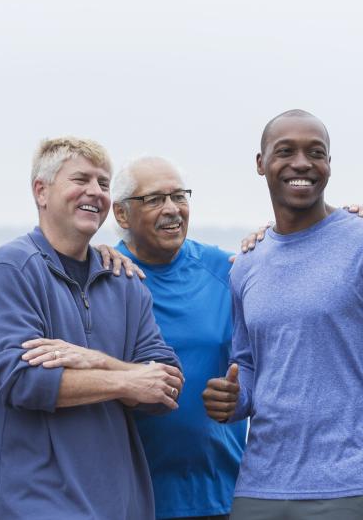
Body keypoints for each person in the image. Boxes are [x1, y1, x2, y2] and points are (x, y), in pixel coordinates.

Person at [203, 110, 363, 520]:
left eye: (316, 152)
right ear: (260, 164)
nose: (302, 163)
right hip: (259, 488)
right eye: (285, 151)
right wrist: (235, 398)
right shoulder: (246, 264)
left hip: (353, 486)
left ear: (329, 165)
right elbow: (250, 365)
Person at [0, 136, 183, 519]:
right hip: (38, 505)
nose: (95, 192)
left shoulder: (126, 281)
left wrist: (97, 362)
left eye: (103, 183)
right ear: (41, 191)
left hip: (124, 506)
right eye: (80, 179)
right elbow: (21, 379)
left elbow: (164, 387)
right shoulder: (9, 271)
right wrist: (127, 380)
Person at [112, 156, 247, 520]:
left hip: (221, 494)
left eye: (179, 196)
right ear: (122, 215)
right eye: (155, 199)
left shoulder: (227, 269)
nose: (172, 210)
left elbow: (269, 357)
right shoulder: (104, 276)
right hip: (131, 499)